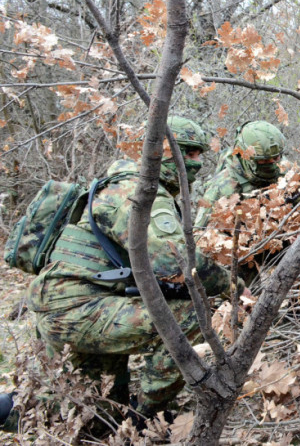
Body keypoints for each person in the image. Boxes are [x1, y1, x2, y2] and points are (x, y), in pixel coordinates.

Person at [13, 115, 232, 428]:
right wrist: (229, 284)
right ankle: (145, 418)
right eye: (190, 153)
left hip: (71, 304)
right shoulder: (141, 194)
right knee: (189, 315)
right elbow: (175, 262)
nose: (197, 162)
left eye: (200, 154)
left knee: (90, 418)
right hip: (79, 309)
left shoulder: (122, 184)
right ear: (165, 152)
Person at [194, 120, 286, 229]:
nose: (272, 163)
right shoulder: (223, 187)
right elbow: (200, 235)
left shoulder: (285, 167)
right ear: (245, 156)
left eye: (275, 158)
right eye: (264, 161)